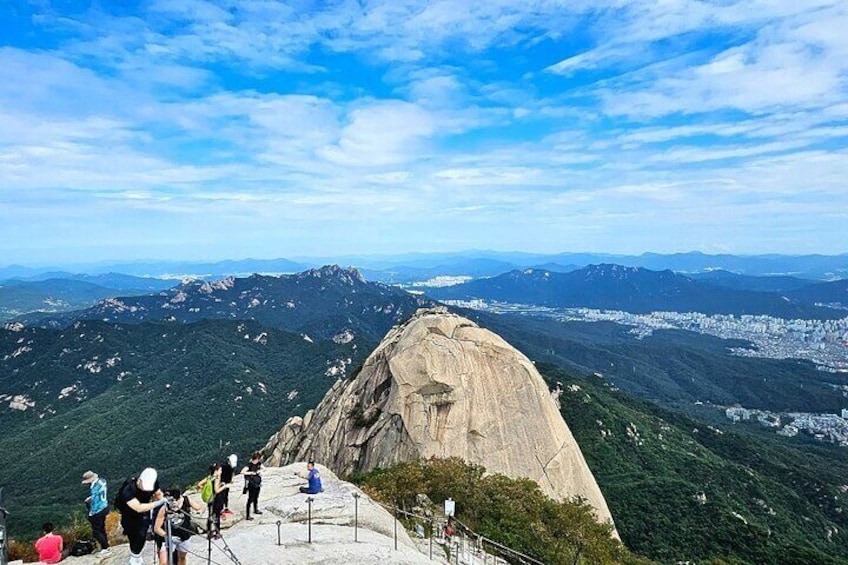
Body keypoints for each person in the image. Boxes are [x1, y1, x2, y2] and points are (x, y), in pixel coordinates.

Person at [115, 467, 166, 565]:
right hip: (129, 513)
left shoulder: (153, 483)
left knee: (142, 534)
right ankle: (135, 554)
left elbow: (158, 494)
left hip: (144, 512)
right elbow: (138, 508)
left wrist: (163, 500)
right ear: (140, 481)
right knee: (132, 535)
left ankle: (136, 556)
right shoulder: (128, 490)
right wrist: (158, 503)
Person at [153, 488, 204, 565]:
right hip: (170, 537)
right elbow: (157, 528)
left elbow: (199, 507)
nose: (174, 503)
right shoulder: (165, 507)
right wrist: (167, 536)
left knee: (182, 558)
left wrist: (198, 513)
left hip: (184, 535)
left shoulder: (186, 500)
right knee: (163, 562)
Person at [81, 471, 111, 556]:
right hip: (105, 506)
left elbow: (95, 503)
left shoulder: (94, 487)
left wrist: (91, 514)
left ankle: (105, 548)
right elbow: (99, 494)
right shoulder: (102, 481)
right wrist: (91, 497)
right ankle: (106, 546)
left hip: (98, 510)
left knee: (96, 531)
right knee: (102, 528)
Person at [198, 463, 231, 538]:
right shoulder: (217, 478)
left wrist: (206, 490)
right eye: (220, 470)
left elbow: (199, 484)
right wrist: (225, 486)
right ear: (216, 471)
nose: (221, 471)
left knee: (210, 516)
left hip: (210, 499)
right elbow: (216, 490)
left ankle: (209, 533)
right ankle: (217, 533)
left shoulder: (209, 477)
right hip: (216, 500)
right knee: (216, 516)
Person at [240, 452, 264, 520]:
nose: (258, 460)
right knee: (250, 499)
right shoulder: (249, 465)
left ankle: (255, 509)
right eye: (258, 459)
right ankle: (248, 515)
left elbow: (264, 468)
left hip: (257, 483)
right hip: (251, 484)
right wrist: (251, 473)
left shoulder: (259, 464)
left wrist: (259, 471)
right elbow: (242, 471)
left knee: (256, 497)